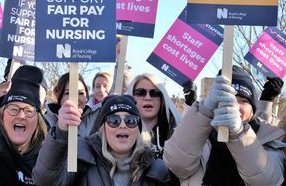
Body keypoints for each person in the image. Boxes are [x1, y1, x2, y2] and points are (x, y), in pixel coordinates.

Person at [163, 66, 286, 186]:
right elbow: (176, 165)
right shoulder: (199, 137)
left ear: (253, 110)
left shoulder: (270, 140)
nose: (234, 105)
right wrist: (204, 111)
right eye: (227, 99)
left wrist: (238, 133)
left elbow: (268, 180)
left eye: (243, 101)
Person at [33, 95, 171, 186]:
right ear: (102, 128)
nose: (123, 125)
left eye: (130, 120)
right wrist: (61, 131)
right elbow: (45, 181)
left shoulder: (156, 171)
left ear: (138, 129)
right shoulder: (81, 157)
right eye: (114, 120)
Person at [127, 73, 181, 158]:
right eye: (141, 92)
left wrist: (191, 106)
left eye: (154, 93)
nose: (148, 98)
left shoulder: (176, 131)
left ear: (162, 99)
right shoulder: (121, 131)